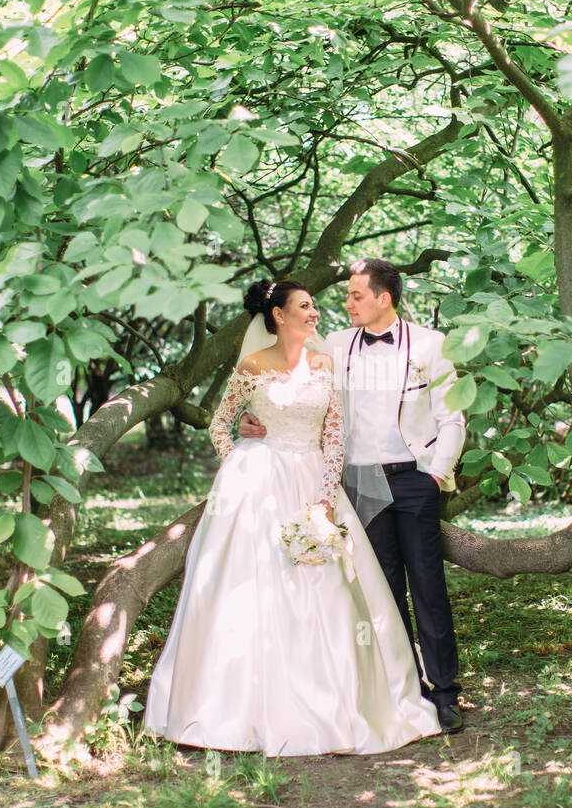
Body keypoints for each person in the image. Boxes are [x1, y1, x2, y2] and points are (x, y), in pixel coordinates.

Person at [142, 278, 441, 756]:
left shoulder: (326, 363)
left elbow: (335, 436)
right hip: (258, 483)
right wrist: (239, 455)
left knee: (330, 586)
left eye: (316, 305)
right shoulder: (252, 366)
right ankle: (235, 710)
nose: (316, 312)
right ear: (279, 315)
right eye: (305, 306)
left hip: (312, 480)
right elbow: (221, 424)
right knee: (251, 584)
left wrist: (325, 499)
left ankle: (342, 701)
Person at [239, 258, 467, 733]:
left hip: (412, 478)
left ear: (384, 298)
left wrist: (434, 476)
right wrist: (250, 420)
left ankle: (445, 693)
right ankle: (405, 689)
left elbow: (452, 419)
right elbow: (284, 378)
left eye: (356, 295)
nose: (346, 304)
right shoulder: (335, 346)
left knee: (428, 585)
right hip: (354, 481)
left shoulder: (430, 344)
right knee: (379, 588)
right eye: (346, 296)